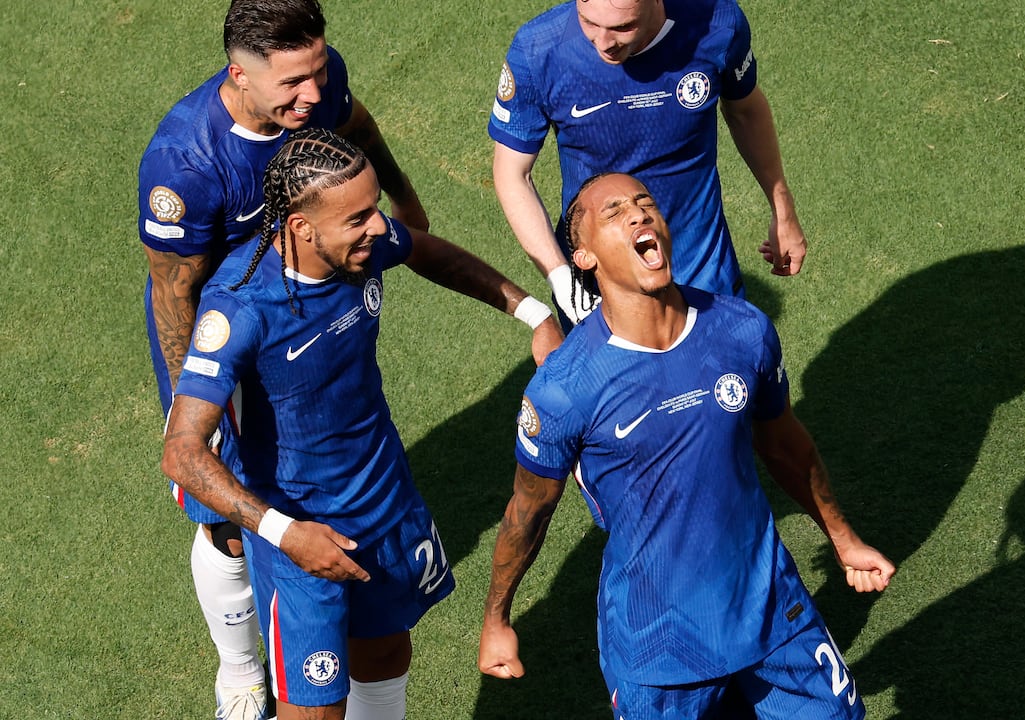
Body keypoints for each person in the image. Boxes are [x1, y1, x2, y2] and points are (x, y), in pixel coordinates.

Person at [162, 128, 562, 720]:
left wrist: (531, 313)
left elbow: (425, 250)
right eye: (358, 218)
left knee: (385, 658)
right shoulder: (240, 308)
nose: (377, 227)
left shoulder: (361, 244)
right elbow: (182, 452)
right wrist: (283, 534)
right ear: (300, 228)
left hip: (386, 501)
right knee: (315, 709)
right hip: (302, 535)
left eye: (374, 208)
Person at [477, 173, 894, 719]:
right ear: (583, 258)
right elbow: (526, 513)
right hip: (657, 652)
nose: (638, 214)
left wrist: (843, 539)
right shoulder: (565, 389)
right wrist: (496, 619)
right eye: (614, 213)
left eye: (645, 203)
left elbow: (788, 448)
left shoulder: (741, 330)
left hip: (772, 613)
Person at [137, 2, 428, 717]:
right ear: (239, 74)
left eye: (319, 74)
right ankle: (240, 670)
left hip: (303, 330)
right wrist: (198, 409)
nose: (312, 95)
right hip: (221, 355)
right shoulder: (186, 162)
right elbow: (175, 292)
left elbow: (358, 132)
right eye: (294, 83)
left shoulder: (319, 85)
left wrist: (408, 206)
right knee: (228, 517)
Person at [490, 0, 807, 325]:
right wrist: (560, 278)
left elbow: (746, 112)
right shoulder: (538, 49)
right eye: (588, 22)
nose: (603, 43)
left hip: (704, 270)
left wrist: (782, 211)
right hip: (605, 288)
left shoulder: (717, 23)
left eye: (622, 28)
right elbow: (512, 173)